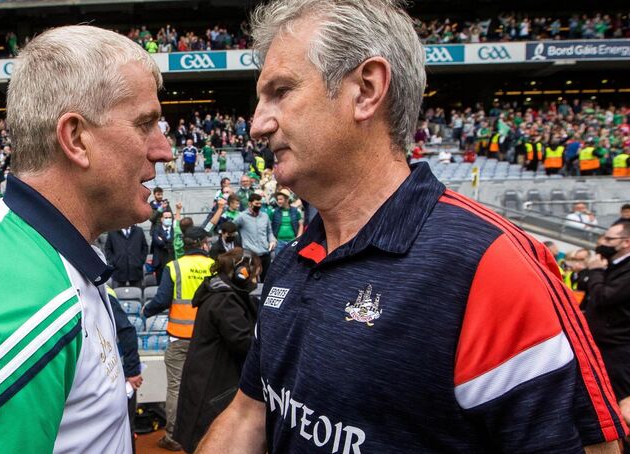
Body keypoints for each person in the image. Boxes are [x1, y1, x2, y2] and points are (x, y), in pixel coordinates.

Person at [197, 1, 625, 453]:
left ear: (366, 90)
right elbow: (251, 413)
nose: (256, 124)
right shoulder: (292, 259)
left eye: (281, 91)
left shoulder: (493, 265)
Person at [0, 25, 171, 453]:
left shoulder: (32, 254)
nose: (163, 148)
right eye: (145, 124)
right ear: (75, 138)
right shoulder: (28, 302)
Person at [174, 248, 261, 453]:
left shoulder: (223, 294)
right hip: (213, 387)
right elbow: (243, 344)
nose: (256, 281)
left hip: (208, 382)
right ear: (241, 273)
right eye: (255, 275)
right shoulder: (225, 300)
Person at [144, 228, 214, 451]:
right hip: (207, 338)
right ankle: (206, 432)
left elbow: (162, 299)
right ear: (203, 243)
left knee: (175, 387)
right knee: (205, 386)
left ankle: (173, 437)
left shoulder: (174, 266)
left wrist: (147, 311)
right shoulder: (214, 266)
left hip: (179, 337)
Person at [583, 221, 630, 425]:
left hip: (619, 350)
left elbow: (604, 297)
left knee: (623, 405)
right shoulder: (612, 265)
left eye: (610, 239)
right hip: (602, 345)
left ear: (626, 242)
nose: (604, 243)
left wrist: (595, 272)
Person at [105, 286, 143, 454]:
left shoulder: (101, 292)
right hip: (106, 370)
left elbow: (127, 330)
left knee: (124, 427)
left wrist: (133, 371)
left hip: (113, 373)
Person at [233, 193, 275, 281]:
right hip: (250, 255)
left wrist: (272, 240)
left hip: (265, 253)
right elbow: (231, 228)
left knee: (266, 280)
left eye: (260, 204)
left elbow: (270, 232)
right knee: (250, 280)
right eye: (256, 204)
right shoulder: (242, 217)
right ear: (250, 204)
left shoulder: (265, 216)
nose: (259, 206)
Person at [150, 210, 175, 284]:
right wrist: (170, 242)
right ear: (161, 219)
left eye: (170, 217)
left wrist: (163, 240)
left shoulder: (175, 230)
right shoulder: (156, 230)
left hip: (172, 262)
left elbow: (174, 243)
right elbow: (158, 243)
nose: (168, 219)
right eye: (166, 217)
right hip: (159, 264)